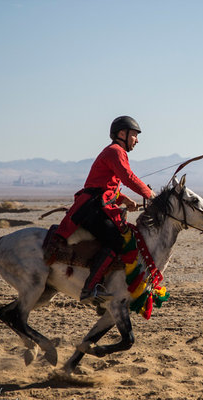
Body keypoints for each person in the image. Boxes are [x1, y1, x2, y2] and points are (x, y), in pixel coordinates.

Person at [54, 116, 156, 304]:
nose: (137, 140)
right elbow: (128, 177)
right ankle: (90, 288)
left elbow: (106, 187)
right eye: (134, 135)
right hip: (92, 208)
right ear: (122, 134)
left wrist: (124, 199)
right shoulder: (115, 151)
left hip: (96, 204)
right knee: (117, 241)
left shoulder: (116, 152)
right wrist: (150, 195)